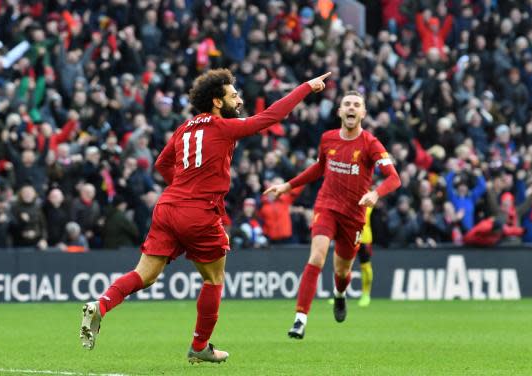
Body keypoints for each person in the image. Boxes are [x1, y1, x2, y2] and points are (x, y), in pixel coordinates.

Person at [79, 68, 331, 362]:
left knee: (144, 275)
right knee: (214, 279)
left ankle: (101, 304)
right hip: (197, 211)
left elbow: (162, 164)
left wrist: (184, 186)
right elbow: (271, 117)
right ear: (216, 102)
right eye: (233, 96)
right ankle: (199, 347)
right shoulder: (222, 127)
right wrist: (305, 87)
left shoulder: (184, 128)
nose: (239, 101)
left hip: (167, 207)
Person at [264, 91, 401, 339]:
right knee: (317, 257)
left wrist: (376, 194)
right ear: (339, 111)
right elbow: (319, 168)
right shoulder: (327, 139)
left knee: (341, 271)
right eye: (347, 104)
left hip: (354, 216)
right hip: (326, 206)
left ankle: (339, 295)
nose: (351, 108)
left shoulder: (371, 144)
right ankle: (300, 319)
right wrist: (287, 186)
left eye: (356, 105)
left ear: (363, 113)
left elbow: (394, 178)